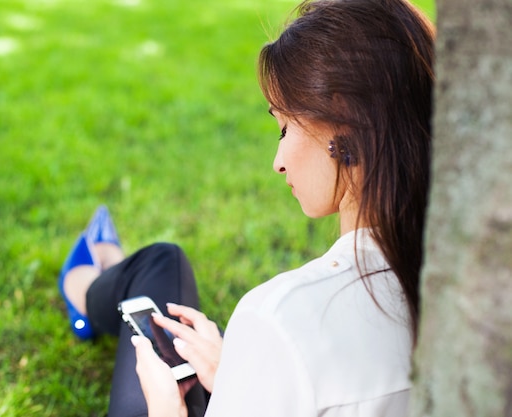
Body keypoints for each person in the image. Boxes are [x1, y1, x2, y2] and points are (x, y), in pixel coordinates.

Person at [58, 0, 435, 415]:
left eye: (285, 127)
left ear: (341, 124)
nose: (279, 162)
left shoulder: (280, 320)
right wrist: (236, 380)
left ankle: (85, 284)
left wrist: (167, 409)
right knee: (164, 270)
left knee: (159, 266)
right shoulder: (470, 284)